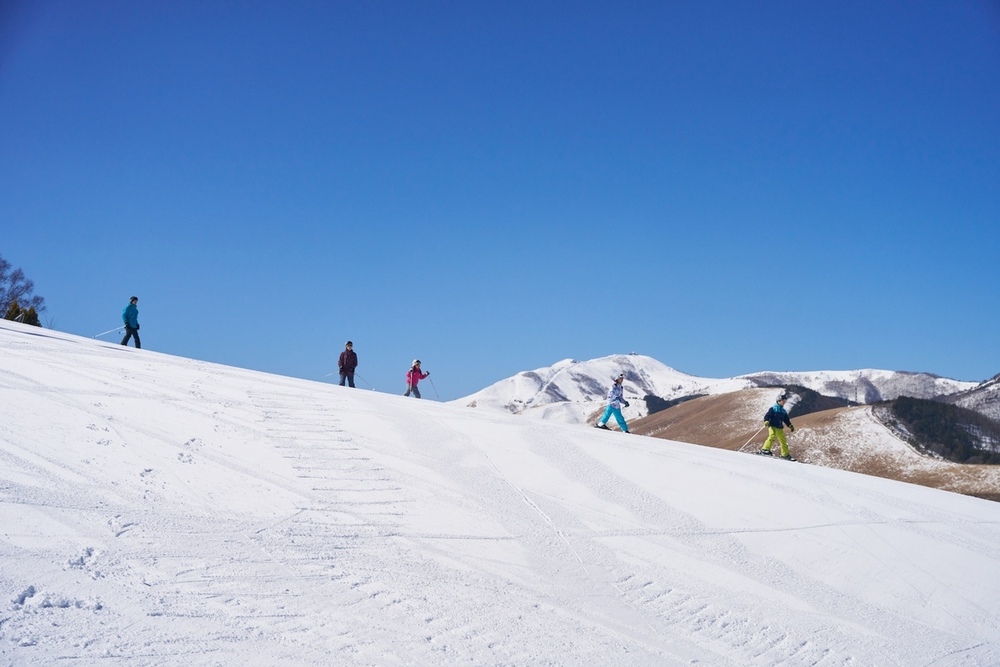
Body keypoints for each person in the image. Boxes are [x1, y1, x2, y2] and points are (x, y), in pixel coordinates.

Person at [759, 392, 796, 459]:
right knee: (772, 436)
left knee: (783, 440)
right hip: (772, 425)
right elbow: (767, 415)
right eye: (783, 400)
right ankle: (765, 449)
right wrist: (766, 421)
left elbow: (786, 420)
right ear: (778, 401)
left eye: (785, 400)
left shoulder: (783, 411)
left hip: (779, 427)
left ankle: (785, 454)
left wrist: (790, 425)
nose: (784, 402)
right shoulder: (773, 408)